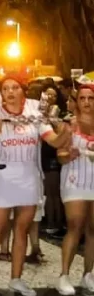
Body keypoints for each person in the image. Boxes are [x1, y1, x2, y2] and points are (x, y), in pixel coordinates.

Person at [0, 76, 70, 296]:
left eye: (15, 87)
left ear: (22, 90)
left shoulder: (35, 109)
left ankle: (16, 279)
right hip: (4, 177)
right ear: (2, 93)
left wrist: (65, 131)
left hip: (29, 177)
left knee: (21, 230)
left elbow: (53, 140)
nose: (10, 92)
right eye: (5, 89)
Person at [56, 84, 94, 294]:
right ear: (77, 101)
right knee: (75, 225)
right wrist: (68, 155)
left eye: (91, 98)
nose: (87, 102)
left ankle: (88, 274)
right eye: (83, 98)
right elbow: (59, 156)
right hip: (74, 179)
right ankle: (64, 275)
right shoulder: (69, 125)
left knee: (93, 229)